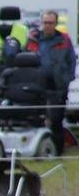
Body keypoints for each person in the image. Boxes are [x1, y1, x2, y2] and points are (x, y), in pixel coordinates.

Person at [25, 10, 76, 155]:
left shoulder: (64, 39)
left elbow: (71, 61)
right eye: (45, 22)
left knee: (56, 119)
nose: (47, 25)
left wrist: (67, 78)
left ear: (56, 23)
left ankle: (57, 150)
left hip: (57, 85)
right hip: (37, 85)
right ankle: (37, 149)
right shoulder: (33, 38)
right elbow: (24, 57)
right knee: (34, 117)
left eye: (50, 23)